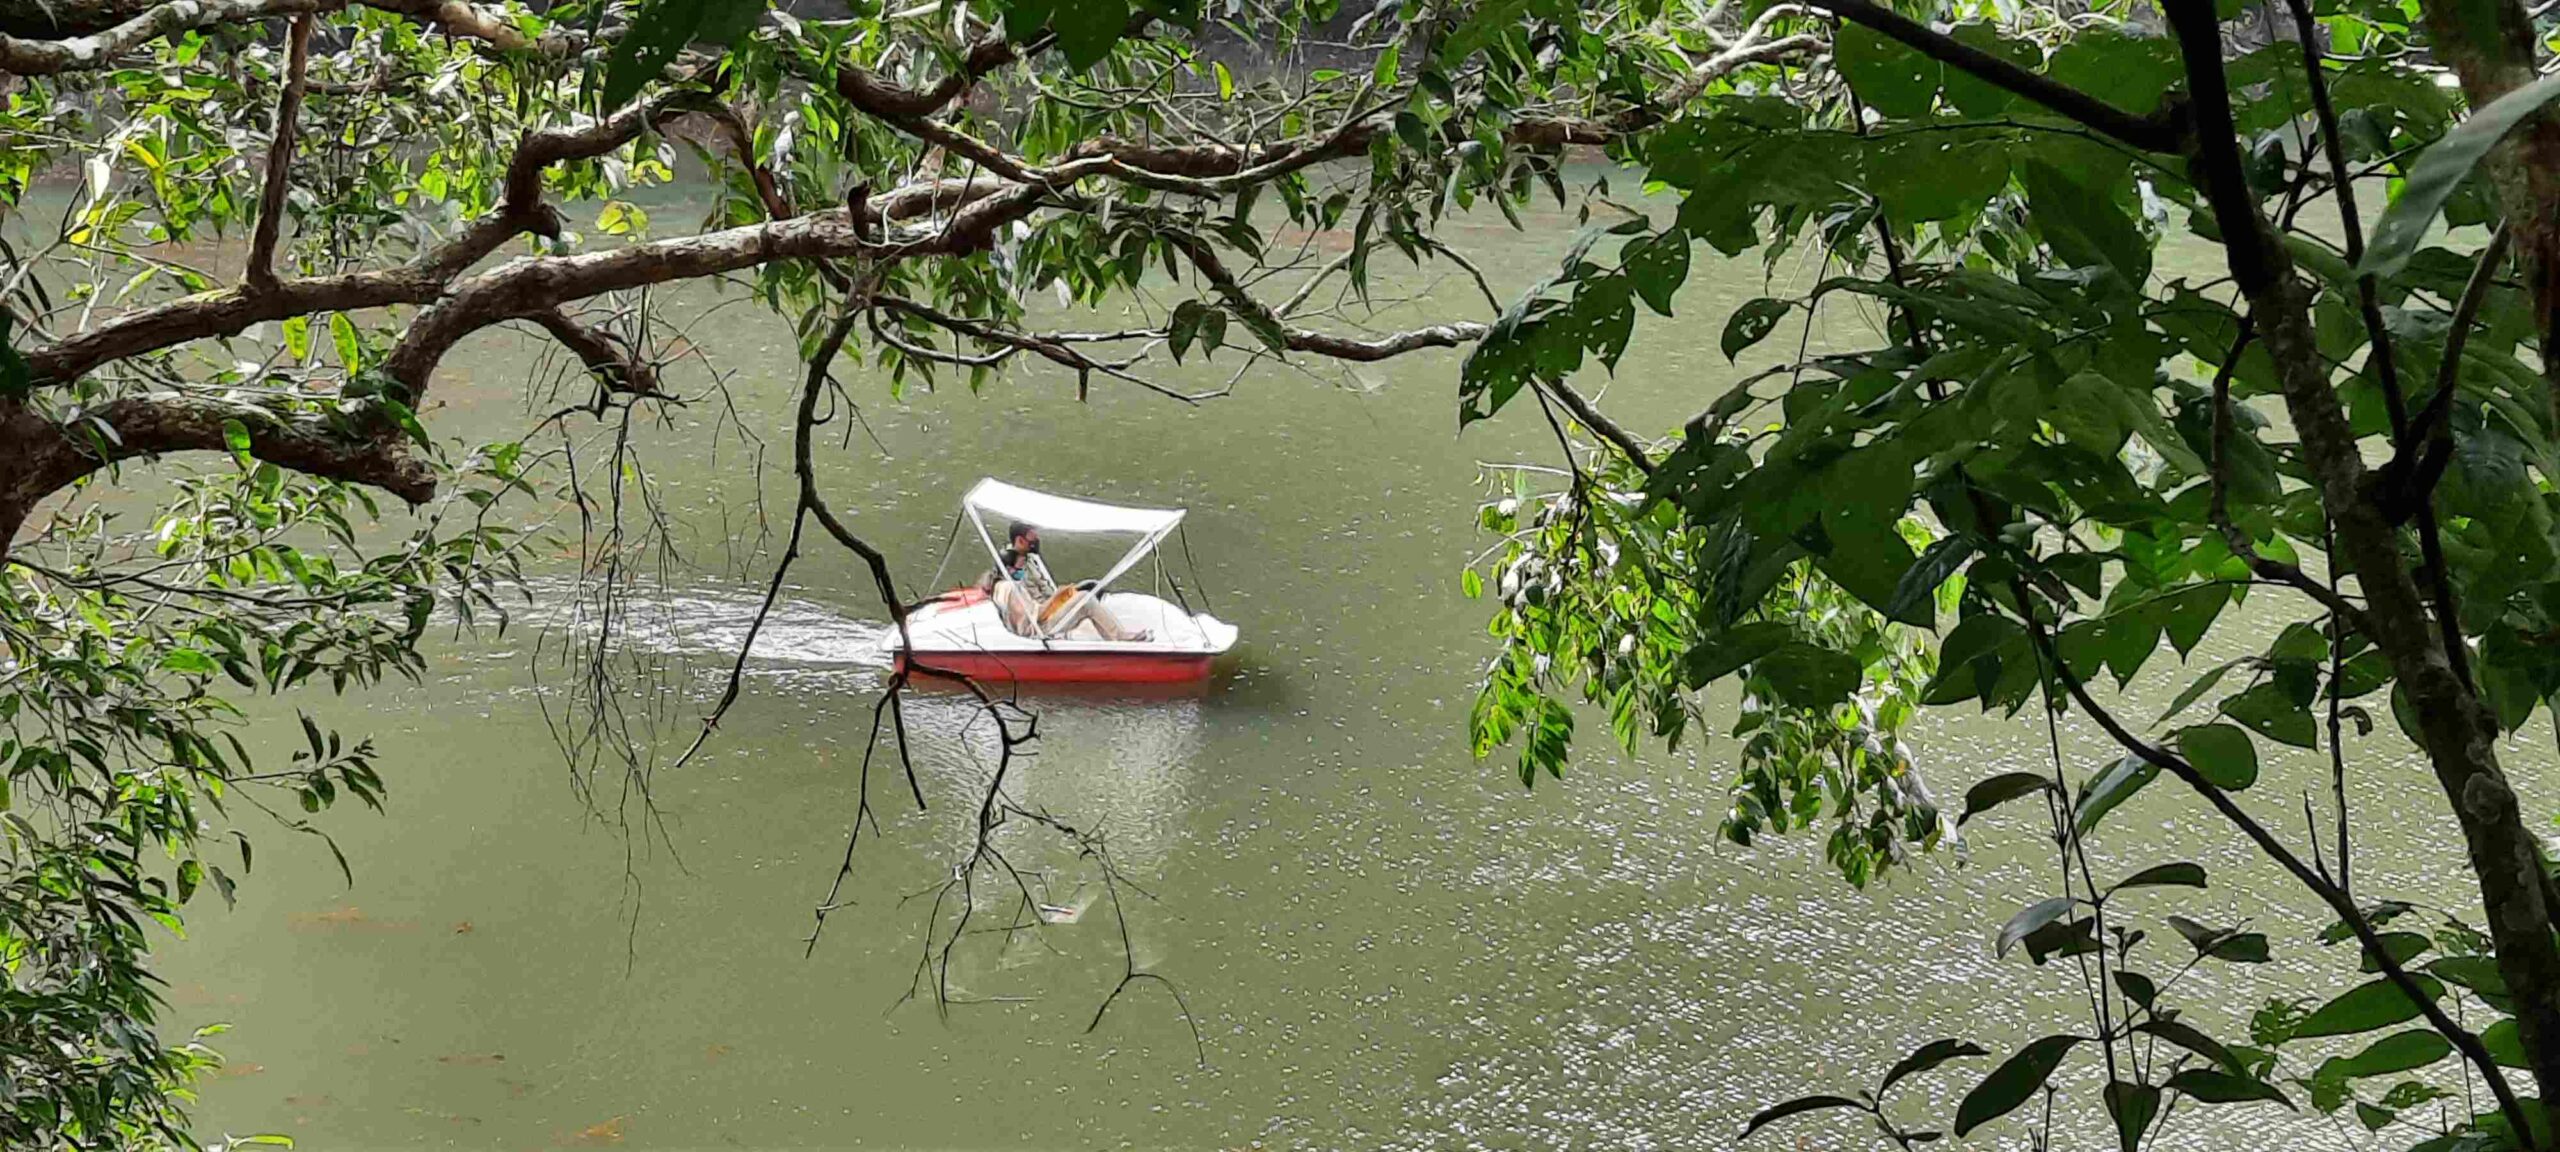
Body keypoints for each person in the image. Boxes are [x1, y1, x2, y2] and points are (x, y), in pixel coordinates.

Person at [976, 522, 1150, 641]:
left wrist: (1061, 596)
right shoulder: (1012, 588)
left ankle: (1112, 635)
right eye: (1031, 539)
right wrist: (1058, 597)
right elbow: (1035, 616)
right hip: (1039, 626)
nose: (1035, 542)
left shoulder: (1018, 570)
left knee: (1089, 588)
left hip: (1043, 613)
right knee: (1086, 600)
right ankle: (1119, 638)